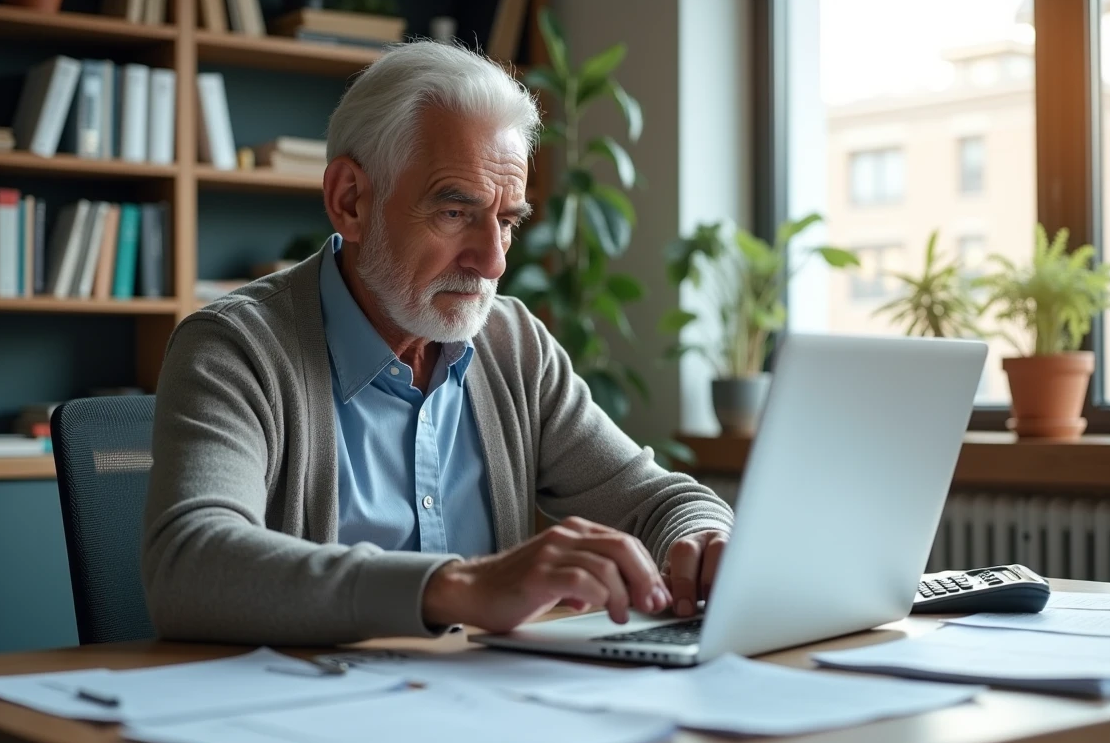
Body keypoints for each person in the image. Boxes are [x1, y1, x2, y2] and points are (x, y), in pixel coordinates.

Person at [141, 41, 734, 645]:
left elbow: (658, 503)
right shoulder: (235, 349)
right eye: (455, 213)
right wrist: (459, 587)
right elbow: (190, 564)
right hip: (302, 717)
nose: (492, 261)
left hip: (488, 714)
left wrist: (709, 541)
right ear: (350, 200)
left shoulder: (515, 346)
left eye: (507, 221)